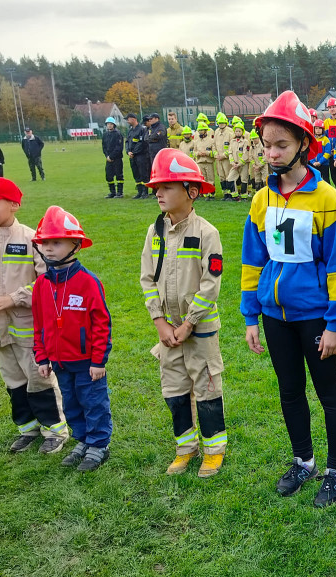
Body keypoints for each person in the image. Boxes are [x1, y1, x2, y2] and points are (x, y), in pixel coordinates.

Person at [241, 90, 336, 508]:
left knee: (329, 395)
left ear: (303, 145)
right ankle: (303, 460)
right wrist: (251, 316)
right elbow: (252, 260)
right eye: (267, 144)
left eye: (281, 145)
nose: (271, 153)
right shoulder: (260, 199)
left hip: (314, 317)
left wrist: (335, 323)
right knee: (290, 392)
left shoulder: (326, 198)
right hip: (274, 316)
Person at [0, 177, 68, 455]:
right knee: (13, 381)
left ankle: (55, 431)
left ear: (14, 205)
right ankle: (28, 428)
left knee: (39, 379)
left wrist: (14, 298)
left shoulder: (32, 239)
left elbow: (48, 280)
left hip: (29, 329)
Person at [140, 148, 227, 477]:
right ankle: (185, 448)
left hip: (199, 331)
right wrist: (159, 321)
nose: (158, 193)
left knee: (206, 390)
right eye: (156, 188)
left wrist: (190, 323)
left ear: (191, 192)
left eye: (166, 187)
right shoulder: (155, 232)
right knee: (174, 392)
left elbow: (211, 285)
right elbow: (147, 278)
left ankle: (213, 451)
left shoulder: (207, 233)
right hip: (167, 333)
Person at [32, 205, 113, 472]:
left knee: (93, 403)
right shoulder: (42, 285)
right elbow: (39, 324)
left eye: (56, 242)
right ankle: (82, 441)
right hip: (59, 362)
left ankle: (99, 444)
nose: (48, 249)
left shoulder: (88, 282)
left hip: (88, 363)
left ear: (75, 244)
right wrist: (42, 356)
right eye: (44, 243)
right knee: (72, 404)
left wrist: (98, 360)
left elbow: (102, 324)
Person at [125, 113, 150, 199]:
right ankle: (139, 192)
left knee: (143, 173)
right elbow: (127, 142)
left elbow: (142, 143)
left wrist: (134, 152)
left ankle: (145, 192)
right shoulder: (130, 130)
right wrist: (128, 151)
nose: (127, 121)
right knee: (136, 174)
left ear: (134, 119)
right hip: (132, 156)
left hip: (141, 155)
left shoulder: (142, 129)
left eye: (128, 119)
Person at [224, 119, 250, 201]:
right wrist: (232, 162)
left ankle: (244, 196)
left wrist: (239, 164)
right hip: (234, 164)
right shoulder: (232, 141)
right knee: (230, 178)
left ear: (242, 132)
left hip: (243, 164)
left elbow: (246, 154)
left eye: (239, 131)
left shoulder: (246, 142)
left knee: (244, 180)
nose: (237, 133)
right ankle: (235, 195)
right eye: (236, 131)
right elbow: (230, 152)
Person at [145, 114, 169, 197]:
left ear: (157, 119)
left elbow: (159, 135)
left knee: (161, 172)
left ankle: (163, 189)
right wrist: (152, 139)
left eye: (151, 118)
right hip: (152, 154)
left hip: (160, 154)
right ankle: (156, 190)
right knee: (155, 172)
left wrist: (151, 138)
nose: (150, 120)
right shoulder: (151, 128)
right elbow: (146, 138)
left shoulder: (161, 127)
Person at [102, 117, 124, 199]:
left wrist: (112, 156)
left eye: (111, 124)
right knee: (109, 176)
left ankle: (120, 192)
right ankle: (112, 192)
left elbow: (119, 147)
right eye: (108, 124)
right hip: (108, 159)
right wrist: (107, 156)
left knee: (119, 175)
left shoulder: (118, 134)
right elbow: (104, 147)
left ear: (114, 125)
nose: (109, 125)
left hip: (117, 158)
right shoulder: (105, 134)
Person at [193, 121, 218, 193]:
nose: (200, 132)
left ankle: (211, 193)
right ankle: (205, 193)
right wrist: (198, 153)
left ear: (205, 131)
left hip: (208, 162)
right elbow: (194, 153)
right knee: (203, 178)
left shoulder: (211, 141)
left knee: (211, 178)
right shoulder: (196, 141)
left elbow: (214, 152)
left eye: (202, 130)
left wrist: (207, 153)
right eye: (199, 130)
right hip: (200, 162)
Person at [212, 112, 234, 197]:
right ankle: (225, 193)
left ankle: (230, 194)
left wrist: (224, 155)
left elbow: (232, 146)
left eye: (222, 123)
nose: (221, 124)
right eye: (219, 123)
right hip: (218, 159)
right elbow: (213, 144)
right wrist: (215, 154)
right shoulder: (216, 132)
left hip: (226, 159)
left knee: (228, 175)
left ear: (226, 122)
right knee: (221, 176)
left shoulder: (230, 132)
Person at [323, 97, 336, 186]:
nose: (332, 109)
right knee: (334, 177)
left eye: (333, 107)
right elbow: (325, 138)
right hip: (330, 154)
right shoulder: (326, 122)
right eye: (330, 107)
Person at [312, 120, 333, 185]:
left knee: (326, 180)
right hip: (314, 164)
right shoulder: (312, 140)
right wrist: (313, 162)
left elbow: (327, 153)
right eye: (316, 128)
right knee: (316, 181)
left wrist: (320, 162)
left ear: (323, 129)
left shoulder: (326, 140)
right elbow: (310, 152)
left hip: (324, 164)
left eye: (320, 128)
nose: (318, 130)